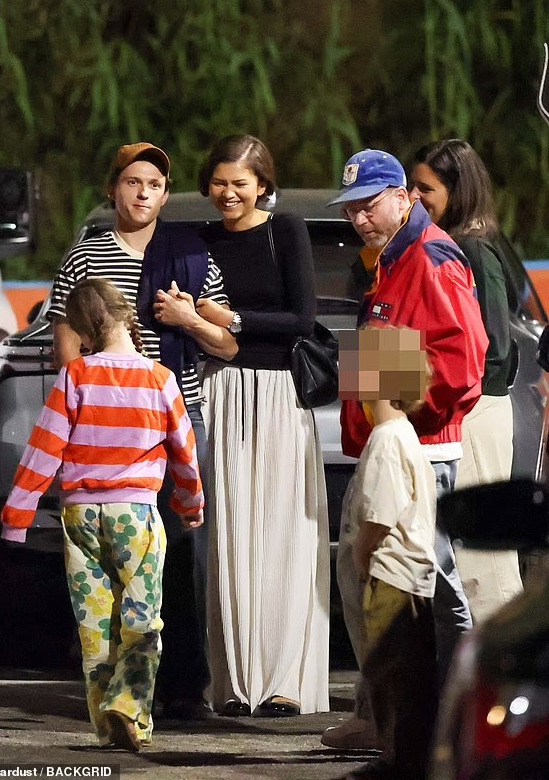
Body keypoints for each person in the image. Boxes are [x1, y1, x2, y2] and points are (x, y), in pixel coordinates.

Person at [46, 142, 237, 720]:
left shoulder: (192, 256)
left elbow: (227, 344)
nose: (143, 193)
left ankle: (186, 687)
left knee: (182, 549)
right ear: (113, 189)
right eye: (132, 182)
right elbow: (65, 345)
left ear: (166, 193)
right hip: (105, 428)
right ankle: (117, 687)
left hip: (176, 416)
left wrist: (188, 318)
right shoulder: (86, 257)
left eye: (154, 184)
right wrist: (81, 411)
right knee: (106, 560)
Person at [154, 134, 330, 717]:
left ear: (263, 185)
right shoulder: (197, 242)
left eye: (240, 183)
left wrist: (228, 317)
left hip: (278, 397)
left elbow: (301, 319)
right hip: (216, 395)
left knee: (281, 534)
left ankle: (283, 681)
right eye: (219, 182)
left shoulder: (287, 231)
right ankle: (231, 683)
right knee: (225, 539)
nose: (228, 193)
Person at [322, 149, 488, 750]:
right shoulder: (391, 257)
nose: (360, 218)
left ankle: (453, 716)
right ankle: (383, 714)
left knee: (430, 586)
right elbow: (390, 346)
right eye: (352, 209)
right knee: (376, 582)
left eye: (369, 205)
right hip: (391, 442)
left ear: (402, 197)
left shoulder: (430, 256)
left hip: (419, 449)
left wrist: (398, 415)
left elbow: (463, 362)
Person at [0, 278, 205, 750]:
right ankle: (129, 705)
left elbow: (43, 449)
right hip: (134, 514)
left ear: (83, 332)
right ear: (128, 316)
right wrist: (190, 502)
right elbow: (185, 453)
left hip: (80, 517)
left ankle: (106, 722)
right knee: (142, 618)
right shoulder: (160, 379)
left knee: (94, 625)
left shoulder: (75, 376)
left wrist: (17, 515)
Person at [409, 139, 523, 621]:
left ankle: (506, 661)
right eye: (409, 187)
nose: (413, 197)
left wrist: (441, 400)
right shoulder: (419, 248)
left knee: (484, 562)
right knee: (458, 557)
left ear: (458, 192)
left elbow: (494, 349)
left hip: (473, 413)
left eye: (426, 188)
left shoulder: (471, 248)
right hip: (448, 415)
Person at [338, 326, 438, 780]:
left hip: (391, 577)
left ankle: (398, 761)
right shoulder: (405, 435)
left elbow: (380, 515)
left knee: (390, 676)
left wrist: (362, 556)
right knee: (408, 677)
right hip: (413, 579)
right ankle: (403, 757)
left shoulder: (386, 440)